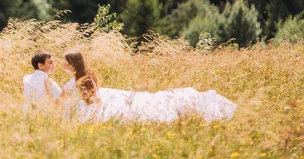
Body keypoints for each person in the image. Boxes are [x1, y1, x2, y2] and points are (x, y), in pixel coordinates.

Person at [61, 49, 236, 123]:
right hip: (92, 103)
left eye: (65, 62)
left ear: (73, 64)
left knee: (145, 106)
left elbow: (93, 100)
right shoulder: (80, 77)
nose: (63, 65)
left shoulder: (82, 79)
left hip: (97, 105)